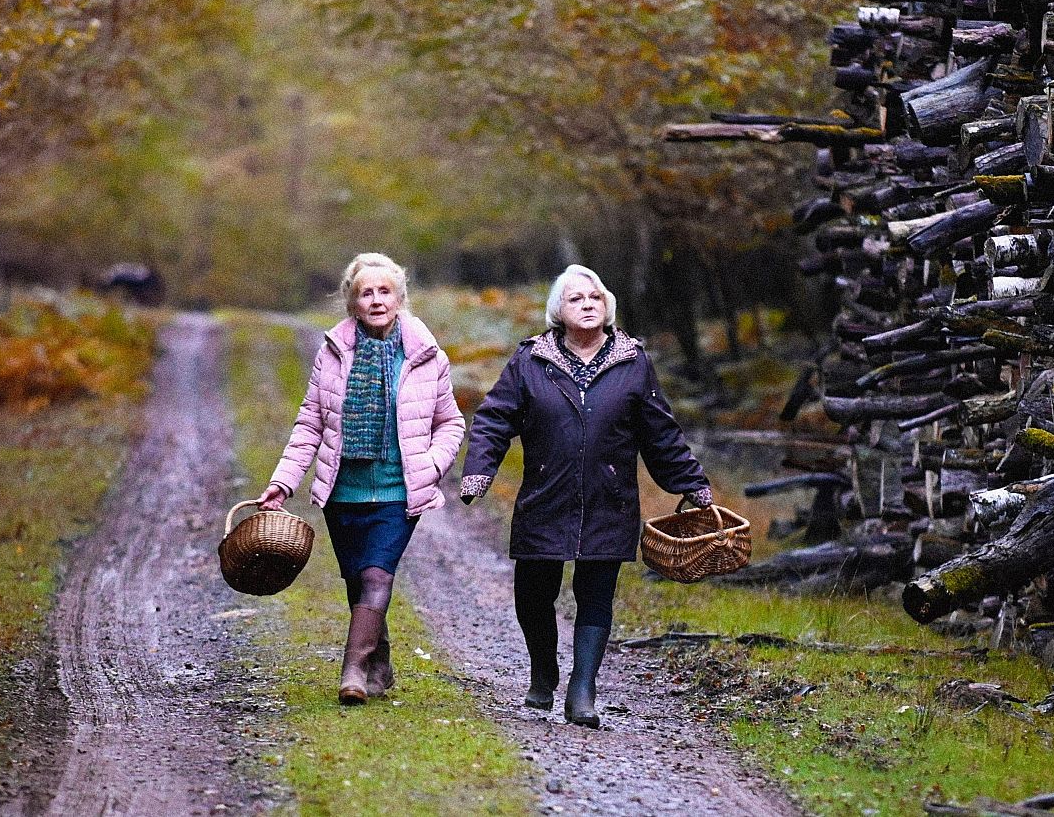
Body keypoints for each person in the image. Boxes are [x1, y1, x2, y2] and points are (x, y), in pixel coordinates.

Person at [459, 264, 713, 728]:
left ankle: (583, 687)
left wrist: (692, 483)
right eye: (576, 298)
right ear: (559, 310)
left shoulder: (633, 361)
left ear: (608, 305)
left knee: (596, 593)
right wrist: (479, 471)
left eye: (595, 296)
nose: (588, 303)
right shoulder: (530, 361)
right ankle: (543, 670)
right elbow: (495, 419)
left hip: (609, 497)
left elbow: (661, 432)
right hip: (545, 494)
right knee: (533, 594)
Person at [258, 253, 465, 705]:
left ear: (400, 298)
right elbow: (310, 423)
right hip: (343, 490)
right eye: (366, 293)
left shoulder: (427, 356)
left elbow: (450, 423)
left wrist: (430, 466)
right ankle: (380, 661)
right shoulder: (332, 354)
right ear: (352, 303)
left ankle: (352, 669)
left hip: (398, 489)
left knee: (377, 575)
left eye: (384, 291)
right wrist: (284, 482)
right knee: (358, 581)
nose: (376, 300)